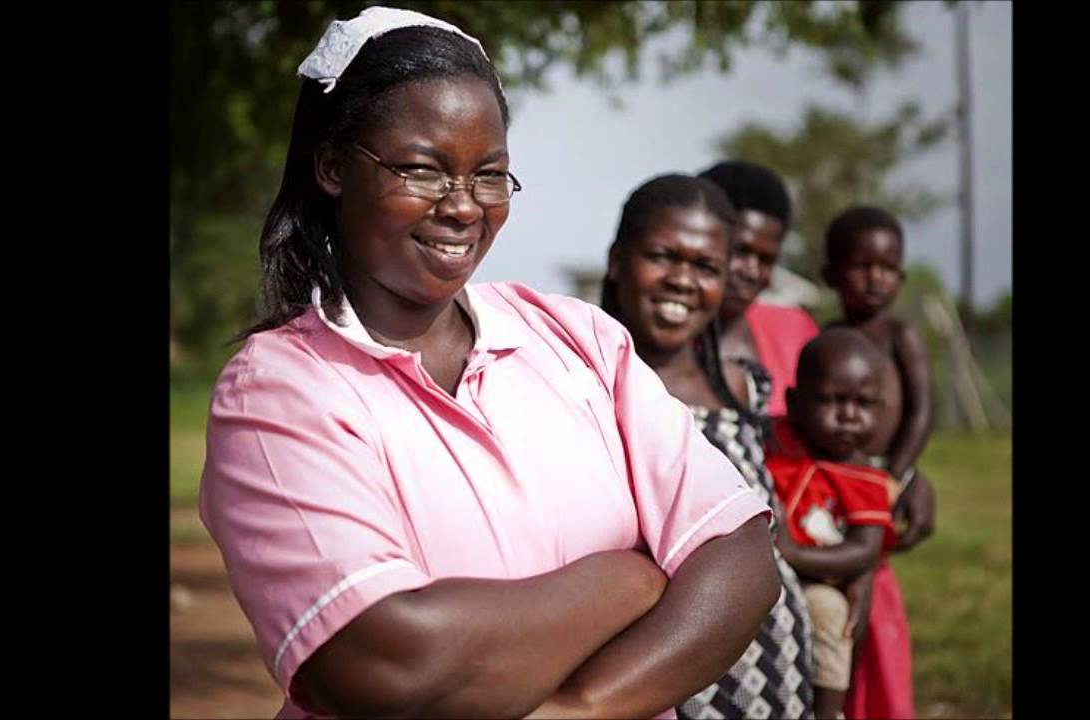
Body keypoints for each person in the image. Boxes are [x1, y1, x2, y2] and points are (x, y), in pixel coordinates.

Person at [197, 9, 780, 719]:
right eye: (422, 169)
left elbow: (742, 557)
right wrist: (630, 580)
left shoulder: (580, 341)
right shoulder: (279, 389)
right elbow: (377, 661)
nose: (463, 207)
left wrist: (580, 709)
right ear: (332, 167)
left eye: (490, 176)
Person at [599, 173, 815, 719]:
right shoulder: (589, 391)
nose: (682, 281)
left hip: (781, 672)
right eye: (663, 257)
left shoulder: (742, 387)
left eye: (705, 267)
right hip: (671, 684)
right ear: (618, 260)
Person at [821, 205, 937, 718]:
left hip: (879, 479)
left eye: (888, 268)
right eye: (861, 266)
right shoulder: (827, 340)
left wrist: (896, 474)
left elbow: (922, 410)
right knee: (837, 588)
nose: (875, 278)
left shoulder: (898, 336)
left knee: (872, 583)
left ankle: (880, 701)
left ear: (901, 276)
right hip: (835, 482)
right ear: (831, 275)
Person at [765, 328, 896, 720]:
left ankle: (827, 712)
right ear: (795, 403)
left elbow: (864, 550)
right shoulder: (776, 440)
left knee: (834, 617)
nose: (849, 414)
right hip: (758, 573)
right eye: (832, 400)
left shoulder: (866, 479)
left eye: (863, 403)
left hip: (819, 581)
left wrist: (793, 554)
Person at [697, 161, 820, 418]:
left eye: (766, 259)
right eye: (740, 251)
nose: (751, 271)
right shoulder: (658, 340)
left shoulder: (795, 333)